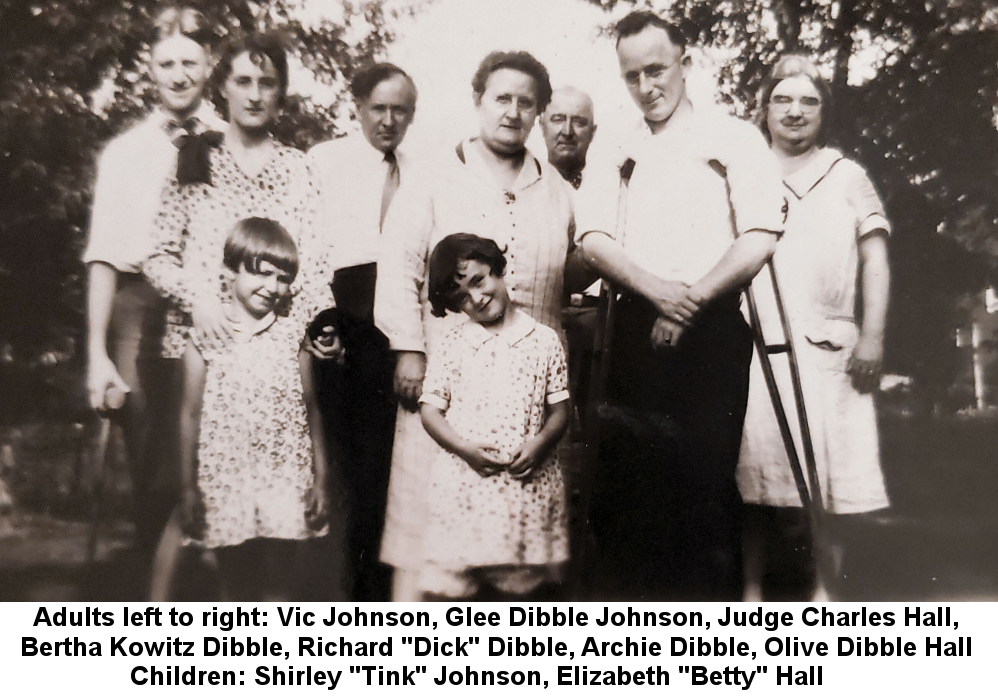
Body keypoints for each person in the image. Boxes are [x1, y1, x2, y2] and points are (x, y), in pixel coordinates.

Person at [576, 11, 786, 600]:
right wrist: (656, 292)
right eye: (632, 76)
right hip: (635, 322)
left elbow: (761, 234)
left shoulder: (733, 137)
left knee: (704, 485)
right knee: (630, 492)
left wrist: (688, 301)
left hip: (713, 322)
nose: (647, 87)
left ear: (685, 64)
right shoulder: (617, 145)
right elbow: (592, 238)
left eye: (656, 69)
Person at [144, 32, 342, 598]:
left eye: (268, 83)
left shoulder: (300, 169)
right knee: (193, 502)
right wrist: (199, 300)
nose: (255, 95)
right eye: (243, 81)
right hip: (204, 351)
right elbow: (157, 256)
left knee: (273, 510)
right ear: (222, 87)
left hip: (277, 361)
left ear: (281, 95)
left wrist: (314, 332)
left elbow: (317, 266)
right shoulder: (194, 159)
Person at [375, 50, 574, 601]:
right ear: (478, 102)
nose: (512, 112)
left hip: (523, 391)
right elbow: (398, 263)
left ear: (539, 111)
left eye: (525, 102)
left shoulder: (556, 189)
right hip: (447, 374)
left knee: (515, 530)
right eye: (501, 98)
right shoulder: (436, 176)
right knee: (430, 529)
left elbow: (576, 264)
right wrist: (408, 349)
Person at [737, 54, 891, 601]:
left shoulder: (848, 174)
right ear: (765, 108)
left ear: (824, 112)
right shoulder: (746, 171)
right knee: (755, 480)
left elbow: (875, 259)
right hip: (758, 347)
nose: (795, 112)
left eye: (809, 101)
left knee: (832, 482)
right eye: (783, 99)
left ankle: (823, 595)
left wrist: (872, 336)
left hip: (830, 351)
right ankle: (751, 595)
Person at [83, 6, 223, 560]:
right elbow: (104, 260)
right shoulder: (125, 154)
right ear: (150, 68)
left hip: (219, 304)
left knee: (218, 458)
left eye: (190, 60)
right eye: (166, 63)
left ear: (210, 63)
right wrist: (96, 355)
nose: (179, 74)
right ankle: (158, 607)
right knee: (153, 464)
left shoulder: (233, 138)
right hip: (141, 308)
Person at [307, 63, 418, 601]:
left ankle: (380, 599)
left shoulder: (424, 169)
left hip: (400, 323)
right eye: (379, 108)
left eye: (401, 110)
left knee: (390, 475)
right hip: (342, 316)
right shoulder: (325, 161)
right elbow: (307, 249)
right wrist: (324, 325)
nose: (389, 120)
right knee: (347, 471)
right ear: (357, 107)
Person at [175, 218, 329, 600]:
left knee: (280, 584)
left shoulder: (294, 338)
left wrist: (321, 479)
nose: (272, 287)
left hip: (285, 480)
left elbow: (312, 411)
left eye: (282, 278)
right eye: (261, 274)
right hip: (227, 481)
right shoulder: (205, 340)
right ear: (230, 273)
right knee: (234, 585)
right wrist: (187, 486)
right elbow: (188, 416)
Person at [416, 234, 570, 598]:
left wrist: (540, 443)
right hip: (467, 487)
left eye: (479, 281)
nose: (477, 298)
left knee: (518, 589)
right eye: (462, 298)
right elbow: (430, 411)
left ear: (498, 270)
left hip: (523, 488)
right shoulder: (453, 345)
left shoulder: (544, 340)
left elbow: (560, 411)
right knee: (457, 591)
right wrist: (464, 448)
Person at [540, 86, 597, 190]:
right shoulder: (526, 188)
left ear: (592, 132)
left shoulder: (610, 186)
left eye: (578, 122)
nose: (567, 132)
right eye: (558, 120)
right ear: (542, 127)